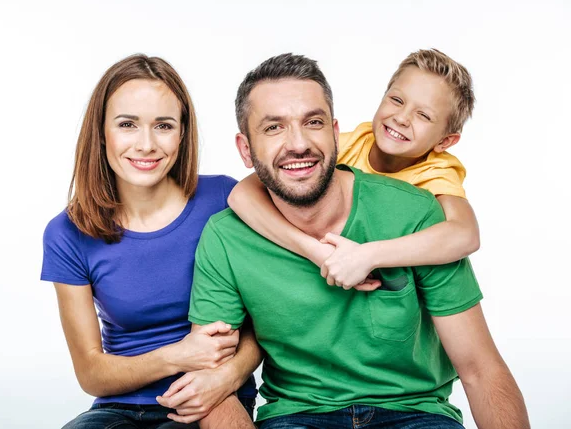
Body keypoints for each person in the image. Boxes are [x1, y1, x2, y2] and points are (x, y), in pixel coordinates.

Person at [188, 53, 530, 428]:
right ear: (245, 149)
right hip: (297, 416)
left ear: (334, 132)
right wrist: (315, 250)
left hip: (414, 414)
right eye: (273, 128)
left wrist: (372, 254)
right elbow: (211, 380)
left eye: (313, 122)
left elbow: (480, 368)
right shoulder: (226, 236)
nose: (298, 143)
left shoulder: (423, 208)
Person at [41, 54, 259, 429]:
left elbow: (265, 319)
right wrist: (179, 355)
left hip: (211, 395)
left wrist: (229, 376)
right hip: (119, 409)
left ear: (182, 133)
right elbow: (91, 372)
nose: (146, 144)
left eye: (163, 125)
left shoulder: (226, 198)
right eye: (127, 124)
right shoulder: (66, 233)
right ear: (101, 131)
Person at [228, 49, 480, 290]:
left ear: (445, 141)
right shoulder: (349, 143)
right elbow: (241, 195)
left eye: (423, 115)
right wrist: (315, 251)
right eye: (396, 100)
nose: (401, 118)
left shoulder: (437, 172)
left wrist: (368, 256)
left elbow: (465, 235)